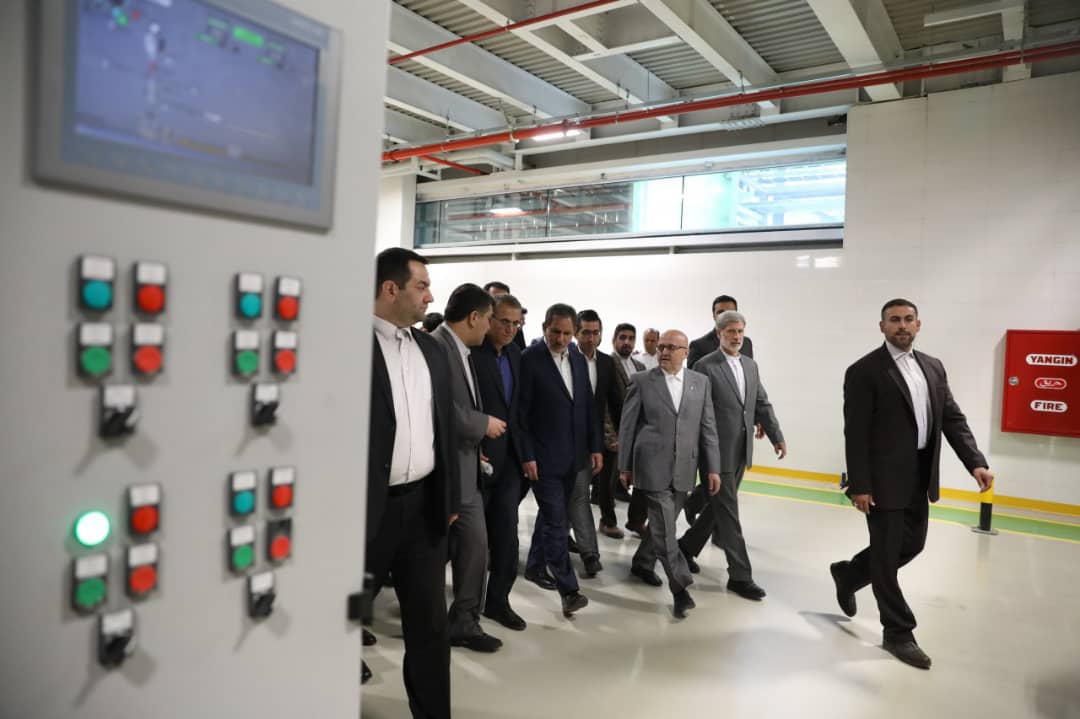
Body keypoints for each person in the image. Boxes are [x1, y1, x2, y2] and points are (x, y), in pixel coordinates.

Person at [830, 299, 993, 670]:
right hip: (881, 479)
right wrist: (860, 484)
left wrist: (975, 462)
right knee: (886, 558)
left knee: (912, 545)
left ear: (918, 324)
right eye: (894, 320)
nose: (901, 325)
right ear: (882, 326)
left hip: (920, 474)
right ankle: (898, 632)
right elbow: (856, 433)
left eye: (908, 319)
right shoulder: (864, 371)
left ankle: (850, 573)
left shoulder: (933, 367)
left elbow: (952, 418)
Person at [366, 247, 457, 719]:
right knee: (338, 621)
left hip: (422, 509)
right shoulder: (348, 345)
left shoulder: (431, 351)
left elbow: (444, 427)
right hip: (365, 512)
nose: (429, 296)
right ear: (390, 288)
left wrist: (449, 497)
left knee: (430, 627)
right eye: (421, 286)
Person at [678, 310, 786, 601]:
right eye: (731, 332)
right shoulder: (704, 366)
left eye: (740, 331)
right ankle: (740, 576)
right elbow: (696, 412)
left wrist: (776, 435)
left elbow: (760, 402)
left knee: (718, 509)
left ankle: (685, 547)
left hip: (741, 450)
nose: (737, 337)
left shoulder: (750, 365)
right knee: (729, 514)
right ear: (719, 334)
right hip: (715, 452)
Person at [619, 330, 721, 618]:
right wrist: (625, 466)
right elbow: (627, 426)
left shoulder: (700, 383)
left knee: (663, 526)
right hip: (651, 465)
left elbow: (708, 428)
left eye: (671, 347)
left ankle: (642, 562)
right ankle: (680, 589)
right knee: (666, 529)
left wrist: (713, 468)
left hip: (685, 467)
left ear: (685, 352)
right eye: (661, 347)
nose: (664, 351)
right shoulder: (641, 381)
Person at [430, 284, 507, 653]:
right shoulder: (436, 347)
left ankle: (464, 621)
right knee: (430, 554)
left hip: (465, 466)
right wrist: (482, 425)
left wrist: (474, 452)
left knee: (476, 549)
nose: (491, 327)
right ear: (474, 317)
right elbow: (437, 407)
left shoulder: (460, 350)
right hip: (441, 473)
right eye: (490, 319)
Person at [518, 303, 601, 617]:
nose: (561, 339)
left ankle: (535, 566)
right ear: (544, 328)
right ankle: (569, 590)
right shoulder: (529, 360)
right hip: (542, 460)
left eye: (567, 333)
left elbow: (586, 406)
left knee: (554, 516)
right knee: (556, 522)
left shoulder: (577, 358)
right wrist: (527, 454)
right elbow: (520, 414)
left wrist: (594, 447)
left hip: (574, 457)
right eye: (556, 332)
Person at [471, 293, 529, 631]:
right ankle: (462, 607)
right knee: (469, 542)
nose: (510, 329)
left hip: (508, 463)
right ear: (489, 319)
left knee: (507, 538)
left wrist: (526, 457)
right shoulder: (471, 354)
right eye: (504, 322)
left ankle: (498, 602)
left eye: (516, 324)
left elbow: (519, 411)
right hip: (475, 459)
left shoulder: (517, 356)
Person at [565, 309, 620, 577]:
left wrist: (619, 439)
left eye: (595, 333)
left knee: (578, 494)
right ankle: (585, 550)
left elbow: (615, 403)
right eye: (585, 332)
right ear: (576, 333)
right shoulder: (564, 357)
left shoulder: (607, 363)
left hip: (590, 441)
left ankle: (588, 552)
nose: (590, 338)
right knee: (572, 495)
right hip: (561, 439)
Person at [599, 323, 645, 537]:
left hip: (638, 432)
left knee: (641, 478)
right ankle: (607, 521)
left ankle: (636, 520)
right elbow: (605, 404)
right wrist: (611, 436)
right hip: (615, 432)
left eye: (631, 338)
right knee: (608, 480)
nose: (627, 342)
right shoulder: (608, 364)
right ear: (614, 340)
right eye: (622, 337)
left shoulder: (640, 366)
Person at [687, 295, 754, 368]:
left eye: (730, 312)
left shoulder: (746, 343)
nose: (725, 316)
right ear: (714, 315)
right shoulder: (698, 346)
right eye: (720, 312)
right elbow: (693, 374)